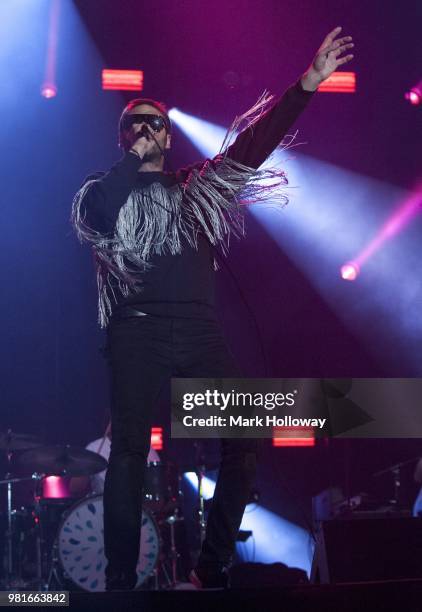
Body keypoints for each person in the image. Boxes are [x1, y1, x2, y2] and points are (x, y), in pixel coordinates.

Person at [71, 27, 354, 590]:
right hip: (137, 331)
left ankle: (209, 570)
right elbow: (99, 215)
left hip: (199, 331)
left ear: (171, 137)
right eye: (137, 122)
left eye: (157, 122)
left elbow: (256, 144)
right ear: (123, 135)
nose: (148, 128)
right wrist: (133, 160)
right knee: (128, 449)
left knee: (243, 439)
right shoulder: (105, 190)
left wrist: (306, 85)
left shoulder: (197, 188)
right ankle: (122, 583)